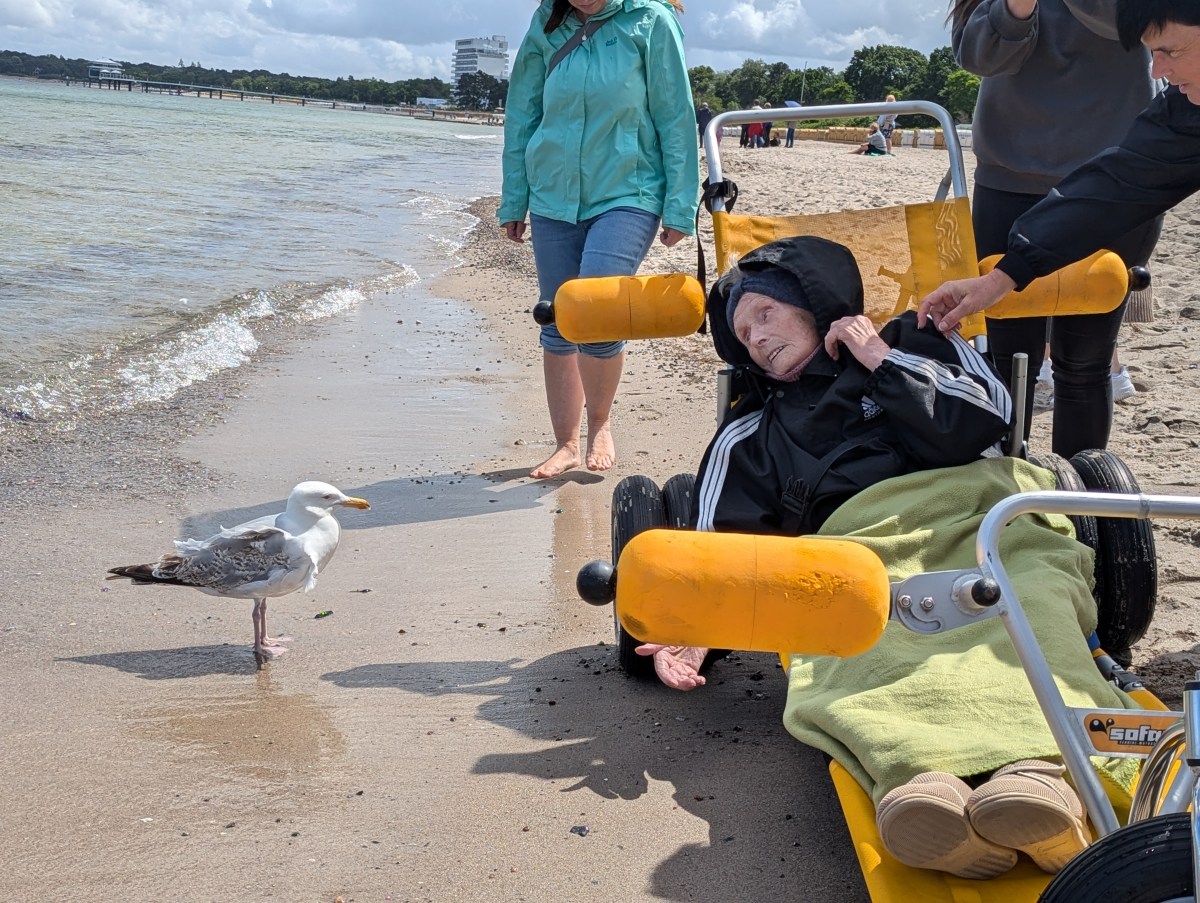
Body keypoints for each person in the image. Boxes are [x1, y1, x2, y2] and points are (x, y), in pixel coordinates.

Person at [637, 235, 1142, 879]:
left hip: (984, 523)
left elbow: (989, 417)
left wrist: (880, 359)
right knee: (865, 636)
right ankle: (923, 782)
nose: (757, 337)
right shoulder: (753, 431)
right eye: (743, 331)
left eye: (766, 313)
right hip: (856, 555)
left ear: (813, 303)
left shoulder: (920, 339)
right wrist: (695, 630)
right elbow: (719, 548)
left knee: (1028, 605)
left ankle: (1039, 777)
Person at [942, 0, 1164, 460]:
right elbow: (977, 57)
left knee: (1085, 362)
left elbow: (1136, 25)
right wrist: (1016, 9)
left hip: (1115, 184)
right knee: (1007, 357)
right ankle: (1008, 488)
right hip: (1008, 182)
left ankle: (1078, 499)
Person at [500, 0, 700, 479]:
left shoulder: (651, 21)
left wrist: (680, 204)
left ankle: (601, 423)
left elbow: (675, 115)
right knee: (557, 319)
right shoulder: (548, 22)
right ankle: (565, 444)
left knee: (596, 312)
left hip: (629, 192)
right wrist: (515, 198)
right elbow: (523, 112)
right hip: (552, 194)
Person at [920, 0, 1200, 338]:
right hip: (1014, 183)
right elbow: (1121, 183)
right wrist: (1002, 277)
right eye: (1153, 51)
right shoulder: (1183, 115)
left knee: (1085, 357)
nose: (1156, 71)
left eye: (1168, 50)